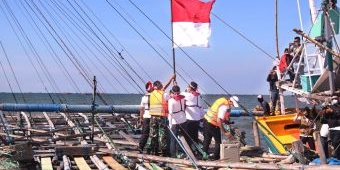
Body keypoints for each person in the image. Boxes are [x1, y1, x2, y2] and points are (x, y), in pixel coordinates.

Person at [146, 74, 175, 156]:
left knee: (152, 134)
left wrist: (170, 79)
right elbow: (169, 98)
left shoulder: (151, 93)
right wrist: (172, 80)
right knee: (162, 134)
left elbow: (164, 87)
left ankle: (149, 150)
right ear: (160, 86)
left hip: (153, 116)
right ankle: (164, 151)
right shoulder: (164, 94)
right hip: (161, 116)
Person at [202, 96, 239, 160]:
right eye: (232, 104)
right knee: (218, 141)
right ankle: (215, 157)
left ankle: (204, 154)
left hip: (207, 120)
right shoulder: (224, 107)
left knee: (207, 139)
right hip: (212, 123)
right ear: (230, 101)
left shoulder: (223, 101)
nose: (232, 106)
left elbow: (219, 115)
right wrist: (225, 132)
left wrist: (225, 121)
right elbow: (219, 120)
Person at [182, 81, 204, 151]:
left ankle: (189, 151)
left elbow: (179, 94)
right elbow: (201, 110)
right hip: (197, 119)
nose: (187, 88)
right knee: (195, 136)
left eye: (188, 87)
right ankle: (196, 151)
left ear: (190, 88)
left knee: (188, 136)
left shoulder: (188, 95)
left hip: (189, 119)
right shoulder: (198, 97)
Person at [168, 85, 187, 158]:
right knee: (184, 138)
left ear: (173, 92)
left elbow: (170, 113)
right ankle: (183, 152)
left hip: (175, 121)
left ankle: (173, 155)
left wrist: (170, 124)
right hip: (183, 119)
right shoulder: (182, 99)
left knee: (173, 139)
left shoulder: (171, 101)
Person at [138, 81, 153, 153]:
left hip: (146, 116)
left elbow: (141, 109)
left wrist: (141, 118)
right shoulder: (155, 96)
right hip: (153, 115)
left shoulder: (144, 98)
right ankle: (151, 148)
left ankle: (141, 147)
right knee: (153, 134)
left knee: (145, 133)